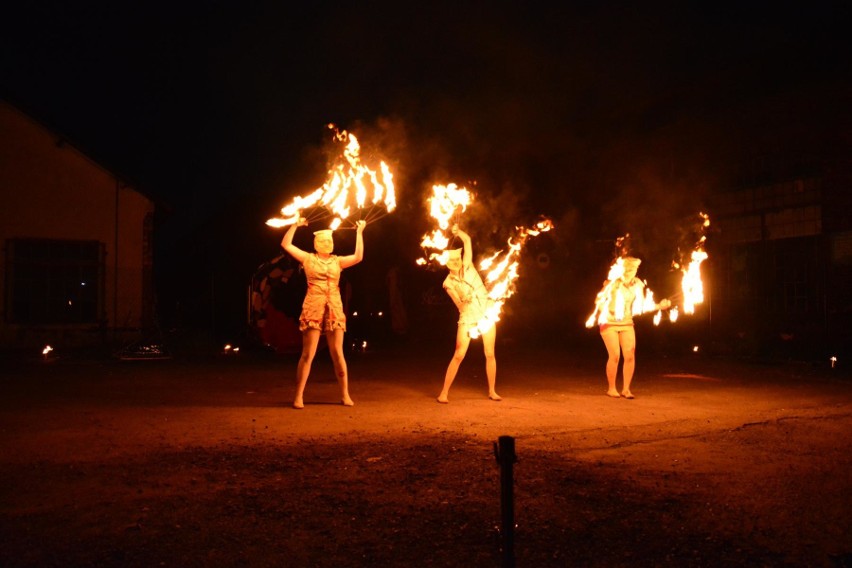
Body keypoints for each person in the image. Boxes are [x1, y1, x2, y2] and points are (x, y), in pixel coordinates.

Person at [280, 217, 366, 409]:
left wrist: (359, 233)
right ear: (316, 244)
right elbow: (286, 244)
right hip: (314, 306)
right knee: (308, 353)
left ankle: (345, 394)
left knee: (337, 352)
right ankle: (299, 395)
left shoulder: (338, 261)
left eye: (330, 241)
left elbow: (358, 257)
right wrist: (295, 224)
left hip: (334, 307)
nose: (327, 243)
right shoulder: (308, 258)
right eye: (323, 241)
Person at [437, 225, 501, 404]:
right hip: (468, 319)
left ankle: (492, 391)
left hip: (486, 314)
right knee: (458, 355)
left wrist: (458, 232)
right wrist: (464, 299)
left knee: (489, 353)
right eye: (452, 260)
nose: (456, 262)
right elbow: (459, 306)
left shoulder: (468, 266)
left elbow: (467, 241)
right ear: (447, 264)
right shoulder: (447, 283)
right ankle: (444, 393)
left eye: (457, 259)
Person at [596, 256, 670, 399]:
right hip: (609, 322)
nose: (631, 271)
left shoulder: (637, 284)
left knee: (629, 355)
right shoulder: (612, 283)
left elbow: (641, 307)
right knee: (615, 355)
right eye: (628, 268)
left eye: (634, 268)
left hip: (627, 322)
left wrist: (659, 306)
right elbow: (598, 300)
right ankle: (611, 388)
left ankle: (626, 389)